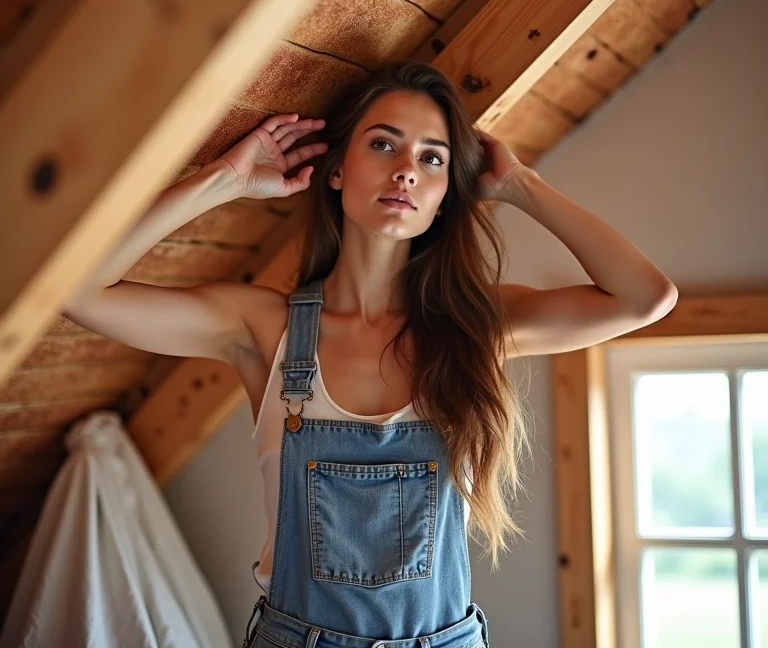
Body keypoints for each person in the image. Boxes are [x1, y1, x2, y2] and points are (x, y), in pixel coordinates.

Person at [63, 60, 677, 647]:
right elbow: (76, 291)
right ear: (337, 170)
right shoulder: (264, 328)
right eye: (384, 144)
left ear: (445, 193)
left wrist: (520, 184)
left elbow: (646, 298)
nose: (407, 170)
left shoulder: (475, 326)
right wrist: (225, 179)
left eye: (432, 158)